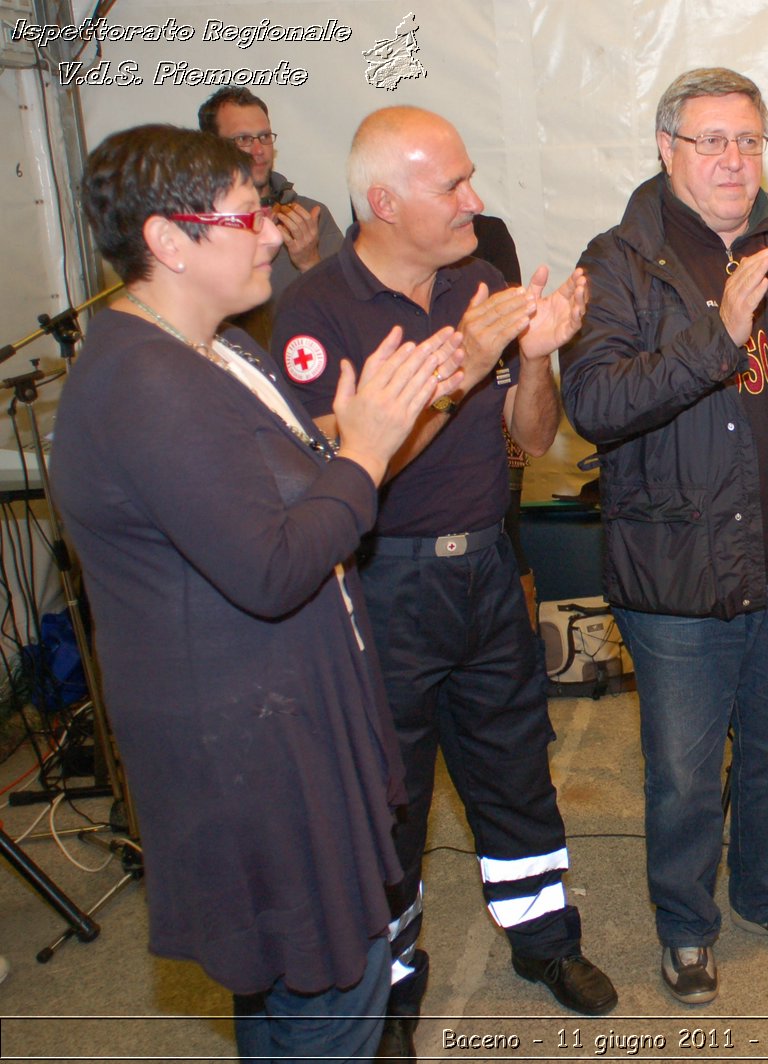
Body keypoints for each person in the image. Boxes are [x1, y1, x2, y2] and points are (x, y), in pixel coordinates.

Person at [52, 123, 463, 1061]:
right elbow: (274, 568)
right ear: (168, 240)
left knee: (302, 990)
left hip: (287, 731)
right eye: (247, 218)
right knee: (331, 991)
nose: (276, 235)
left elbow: (290, 469)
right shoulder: (143, 384)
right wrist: (365, 447)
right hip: (251, 757)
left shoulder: (218, 349)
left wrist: (368, 426)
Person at [273, 105, 617, 1054]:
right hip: (383, 587)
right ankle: (388, 985)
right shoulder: (316, 312)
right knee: (390, 800)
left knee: (514, 770)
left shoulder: (478, 281)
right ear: (382, 202)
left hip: (488, 573)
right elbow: (351, 467)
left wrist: (535, 356)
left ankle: (545, 940)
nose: (476, 200)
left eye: (471, 179)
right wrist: (463, 361)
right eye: (452, 185)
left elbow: (536, 439)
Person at [560, 68, 768, 1005]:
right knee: (682, 771)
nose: (734, 160)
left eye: (749, 140)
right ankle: (686, 926)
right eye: (712, 141)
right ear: (667, 149)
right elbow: (594, 403)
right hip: (676, 570)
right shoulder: (620, 260)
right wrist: (720, 334)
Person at [198, 87, 343, 348]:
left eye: (264, 136)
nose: (258, 150)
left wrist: (310, 263)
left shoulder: (311, 215)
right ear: (211, 147)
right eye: (242, 139)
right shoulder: (195, 227)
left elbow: (349, 315)